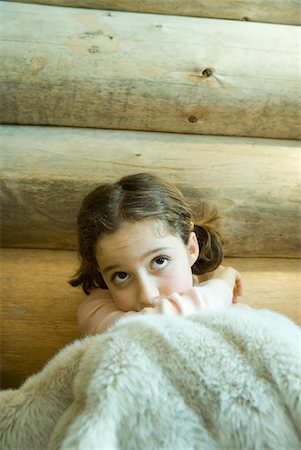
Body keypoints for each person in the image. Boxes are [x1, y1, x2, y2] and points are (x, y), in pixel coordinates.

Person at [70, 172, 245, 335]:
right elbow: (152, 327)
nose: (148, 295)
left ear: (191, 249)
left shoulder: (233, 311)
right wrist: (221, 286)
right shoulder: (96, 311)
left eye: (160, 261)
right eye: (121, 275)